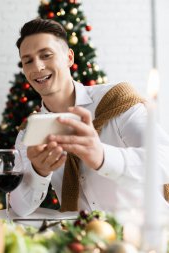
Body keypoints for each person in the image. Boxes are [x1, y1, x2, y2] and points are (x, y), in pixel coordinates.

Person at [10, 18, 169, 216]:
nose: (37, 67)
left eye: (46, 55)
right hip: (84, 240)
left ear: (69, 57)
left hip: (145, 235)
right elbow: (18, 207)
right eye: (28, 61)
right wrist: (38, 172)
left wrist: (102, 157)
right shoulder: (30, 133)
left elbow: (164, 158)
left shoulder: (117, 100)